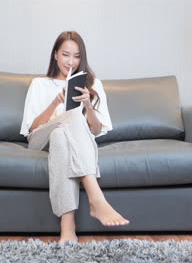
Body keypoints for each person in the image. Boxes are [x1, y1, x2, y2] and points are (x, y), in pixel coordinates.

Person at [20, 31, 129, 245]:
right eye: (65, 55)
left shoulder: (93, 85)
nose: (71, 62)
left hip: (66, 141)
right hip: (40, 141)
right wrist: (54, 104)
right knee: (68, 116)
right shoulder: (39, 84)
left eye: (76, 56)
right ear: (55, 55)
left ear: (82, 58)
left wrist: (88, 105)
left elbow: (96, 131)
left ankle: (67, 228)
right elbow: (31, 128)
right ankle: (96, 196)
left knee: (62, 136)